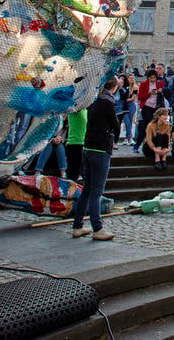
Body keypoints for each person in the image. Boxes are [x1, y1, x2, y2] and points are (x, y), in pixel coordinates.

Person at [71, 77, 121, 241]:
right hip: (100, 148)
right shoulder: (107, 102)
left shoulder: (92, 100)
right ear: (113, 88)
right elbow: (116, 124)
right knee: (96, 192)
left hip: (88, 147)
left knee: (86, 189)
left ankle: (77, 226)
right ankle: (97, 228)